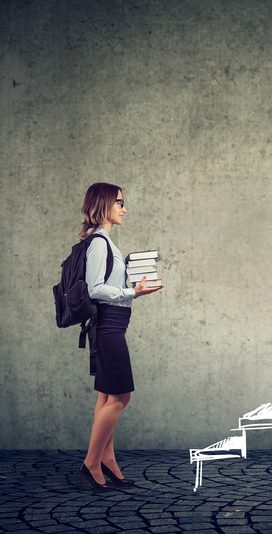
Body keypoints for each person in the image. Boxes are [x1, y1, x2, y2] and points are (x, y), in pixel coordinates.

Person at [78, 182, 163, 491]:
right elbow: (95, 289)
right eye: (119, 202)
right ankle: (91, 462)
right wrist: (132, 291)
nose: (124, 208)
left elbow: (107, 289)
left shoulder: (101, 241)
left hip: (111, 324)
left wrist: (134, 292)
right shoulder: (99, 242)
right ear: (103, 205)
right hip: (109, 327)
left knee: (107, 396)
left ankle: (107, 460)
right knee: (121, 396)